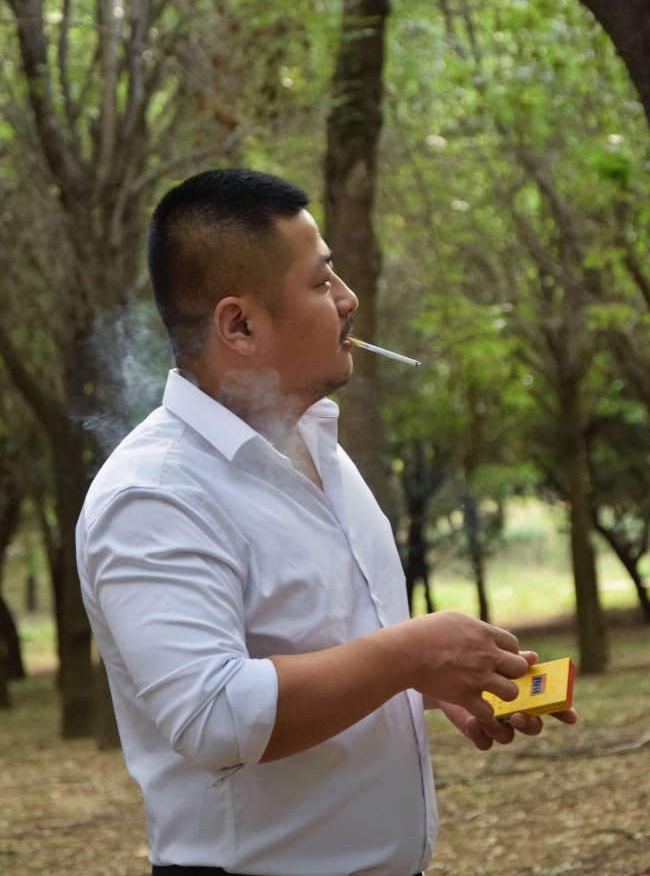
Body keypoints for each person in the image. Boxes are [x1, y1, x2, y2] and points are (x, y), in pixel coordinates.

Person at [76, 168, 576, 876]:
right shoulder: (153, 494)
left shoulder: (315, 443)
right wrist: (409, 655)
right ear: (239, 324)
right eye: (321, 282)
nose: (349, 298)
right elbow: (216, 716)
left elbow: (327, 647)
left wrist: (430, 683)